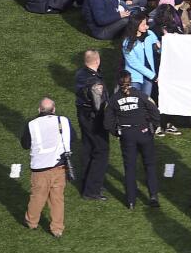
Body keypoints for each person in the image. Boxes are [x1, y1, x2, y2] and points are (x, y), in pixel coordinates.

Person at [104, 71, 161, 209]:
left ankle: (131, 201)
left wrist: (117, 133)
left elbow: (107, 123)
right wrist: (154, 125)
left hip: (127, 135)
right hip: (144, 132)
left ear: (118, 82)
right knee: (150, 165)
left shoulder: (113, 100)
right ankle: (153, 197)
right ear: (131, 81)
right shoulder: (141, 95)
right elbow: (154, 110)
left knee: (130, 168)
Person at [21, 97, 72, 238]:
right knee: (57, 198)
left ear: (39, 109)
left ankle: (32, 222)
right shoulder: (64, 121)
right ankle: (57, 228)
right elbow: (70, 138)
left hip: (40, 169)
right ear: (54, 109)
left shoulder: (32, 124)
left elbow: (25, 144)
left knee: (38, 197)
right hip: (59, 167)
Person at [74, 49, 109, 200]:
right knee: (101, 151)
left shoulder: (80, 73)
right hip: (94, 120)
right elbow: (98, 106)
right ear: (97, 61)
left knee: (88, 148)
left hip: (82, 115)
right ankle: (92, 189)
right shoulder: (96, 82)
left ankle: (86, 183)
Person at [122, 11, 160, 100]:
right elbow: (134, 63)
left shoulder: (150, 34)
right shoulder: (127, 43)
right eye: (143, 25)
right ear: (136, 25)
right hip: (135, 78)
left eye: (146, 23)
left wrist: (159, 47)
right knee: (134, 101)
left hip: (148, 77)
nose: (147, 26)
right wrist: (152, 75)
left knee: (145, 101)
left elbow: (159, 49)